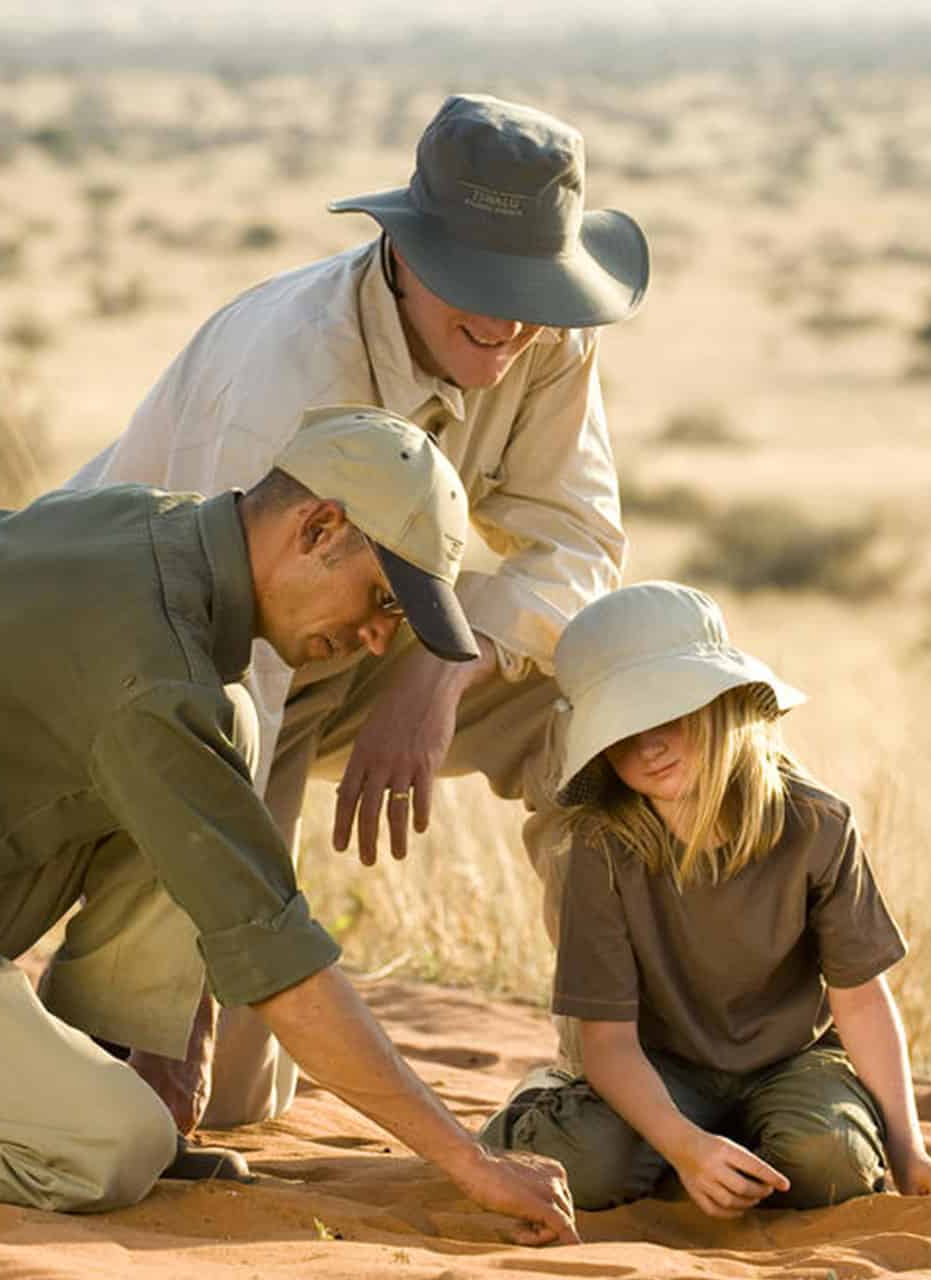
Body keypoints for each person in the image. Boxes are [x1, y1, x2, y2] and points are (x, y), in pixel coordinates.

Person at [0, 405, 579, 1241]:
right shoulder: (157, 670)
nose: (382, 638)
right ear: (318, 528)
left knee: (228, 728)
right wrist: (470, 1159)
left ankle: (92, 1064)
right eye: (385, 598)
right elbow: (280, 965)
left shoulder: (143, 526)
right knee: (106, 1154)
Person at [66, 92, 649, 1129]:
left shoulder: (547, 335)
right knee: (208, 1105)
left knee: (627, 715)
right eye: (478, 281)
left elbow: (581, 541)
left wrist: (442, 669)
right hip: (182, 653)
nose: (506, 321)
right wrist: (192, 974)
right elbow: (213, 658)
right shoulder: (290, 370)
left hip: (387, 633)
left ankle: (638, 1074)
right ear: (404, 249)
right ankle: (110, 1036)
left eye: (529, 285)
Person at [478, 582, 931, 1216]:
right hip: (658, 1065)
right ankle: (553, 1107)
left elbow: (862, 999)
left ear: (723, 703)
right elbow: (609, 1041)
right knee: (588, 1173)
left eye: (667, 714)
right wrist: (683, 1146)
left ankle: (735, 1141)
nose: (648, 745)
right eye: (620, 729)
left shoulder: (818, 824)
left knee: (831, 1166)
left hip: (792, 1061)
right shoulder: (599, 845)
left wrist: (909, 1151)